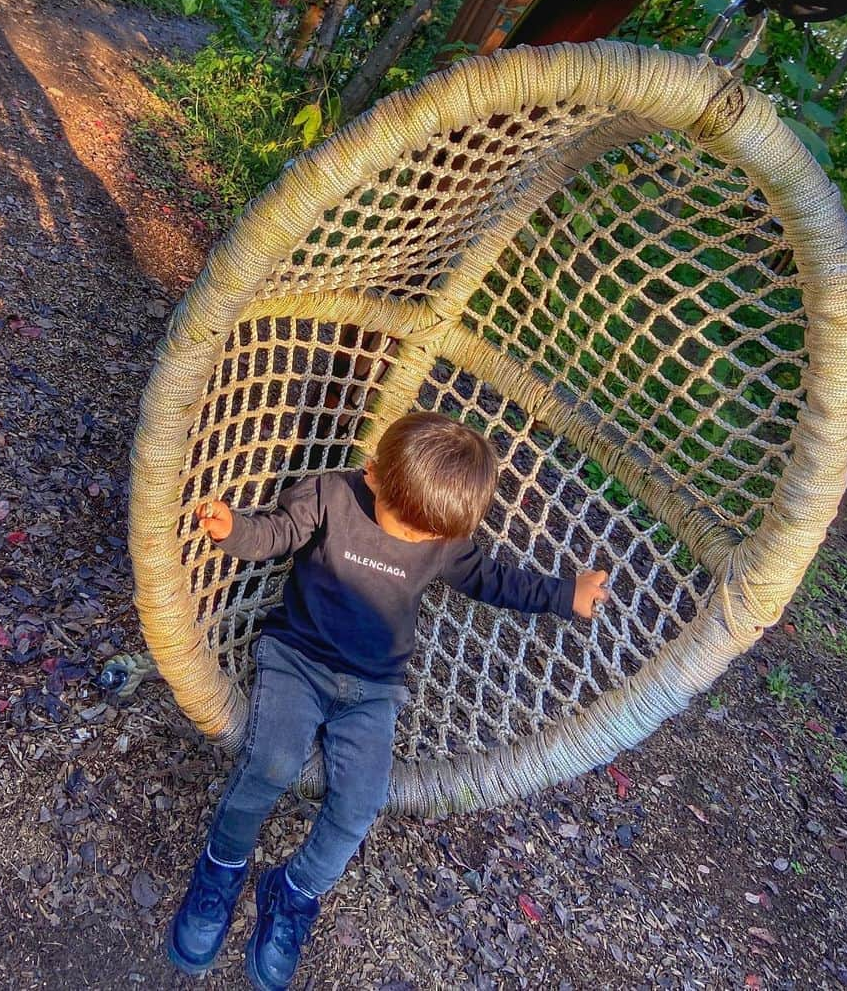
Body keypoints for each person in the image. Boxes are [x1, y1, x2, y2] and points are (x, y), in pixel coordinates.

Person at [167, 411, 610, 990]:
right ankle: (221, 868)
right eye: (407, 525)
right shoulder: (331, 496)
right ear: (374, 477)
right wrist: (232, 530)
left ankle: (294, 891)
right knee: (269, 763)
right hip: (298, 661)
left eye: (427, 536)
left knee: (361, 801)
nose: (413, 540)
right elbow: (276, 534)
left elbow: (494, 580)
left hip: (373, 689)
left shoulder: (440, 538)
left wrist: (563, 593)